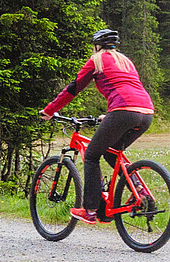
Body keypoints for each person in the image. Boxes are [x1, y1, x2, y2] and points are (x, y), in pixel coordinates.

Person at [41, 29, 155, 224]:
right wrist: (109, 115)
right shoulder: (125, 61)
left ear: (96, 45)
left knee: (92, 155)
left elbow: (73, 88)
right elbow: (126, 87)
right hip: (146, 112)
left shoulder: (97, 60)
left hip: (123, 110)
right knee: (112, 152)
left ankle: (91, 210)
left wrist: (50, 110)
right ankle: (141, 193)